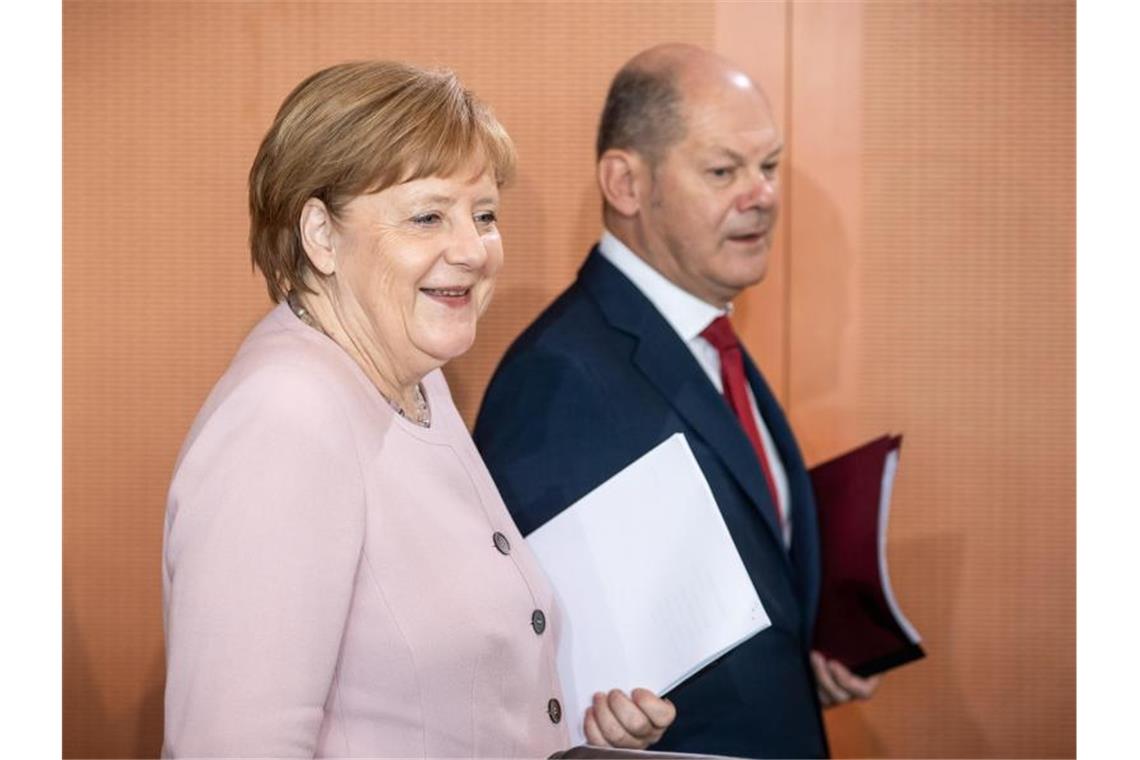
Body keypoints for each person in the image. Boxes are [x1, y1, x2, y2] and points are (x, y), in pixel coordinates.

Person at [162, 61, 675, 758]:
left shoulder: (415, 373)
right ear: (320, 235)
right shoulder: (285, 418)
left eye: (485, 215)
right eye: (428, 216)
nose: (472, 250)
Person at [475, 44, 879, 758]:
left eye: (770, 166)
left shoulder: (706, 333)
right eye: (724, 171)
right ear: (626, 183)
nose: (763, 195)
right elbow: (531, 657)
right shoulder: (557, 375)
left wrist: (795, 656)